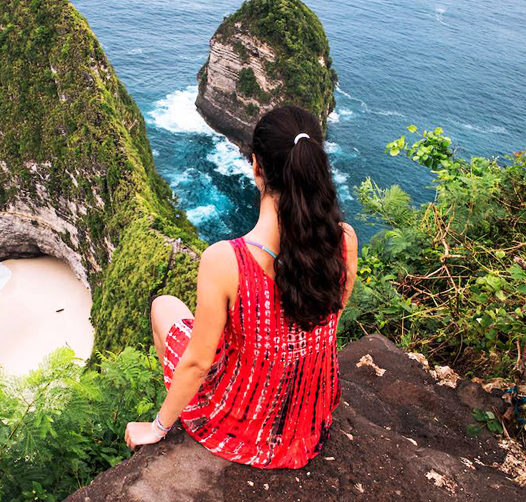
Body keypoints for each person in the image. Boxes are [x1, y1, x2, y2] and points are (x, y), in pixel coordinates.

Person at [125, 105, 358, 469]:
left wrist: (155, 428)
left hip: (246, 423)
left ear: (255, 167)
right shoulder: (343, 240)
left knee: (165, 306)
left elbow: (199, 363)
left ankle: (178, 411)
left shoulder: (226, 260)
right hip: (308, 417)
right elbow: (330, 323)